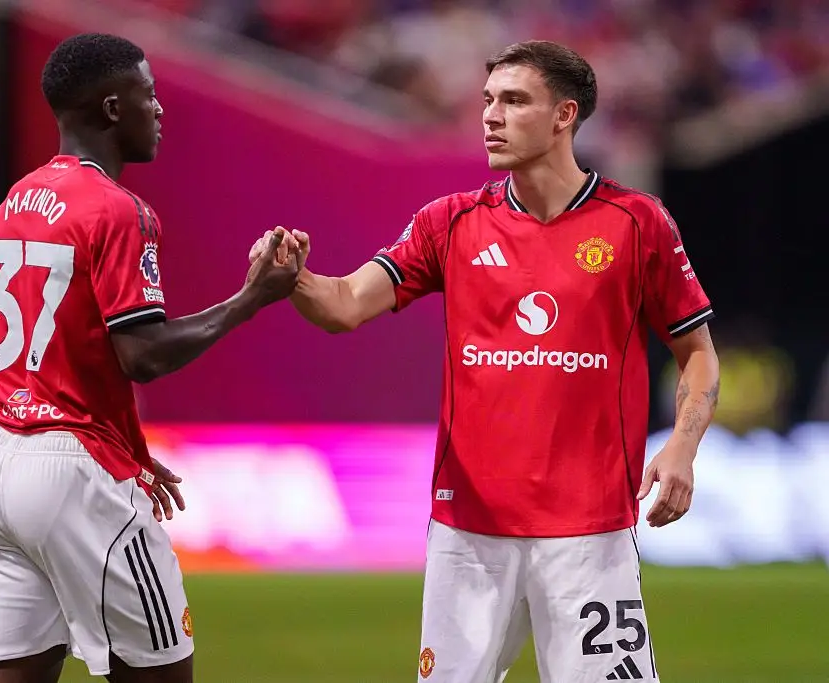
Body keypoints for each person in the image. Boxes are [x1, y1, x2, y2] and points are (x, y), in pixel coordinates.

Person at [250, 40, 720, 682]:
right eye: (488, 101)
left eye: (514, 101)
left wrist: (682, 449)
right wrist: (295, 279)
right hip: (469, 531)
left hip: (589, 530)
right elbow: (347, 304)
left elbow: (697, 354)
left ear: (564, 116)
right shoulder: (451, 222)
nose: (491, 117)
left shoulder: (637, 223)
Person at [0, 33, 299, 683]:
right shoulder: (119, 211)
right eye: (149, 94)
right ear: (115, 108)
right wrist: (251, 298)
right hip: (75, 479)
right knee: (160, 669)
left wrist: (124, 444)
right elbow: (141, 355)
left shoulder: (10, 208)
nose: (159, 109)